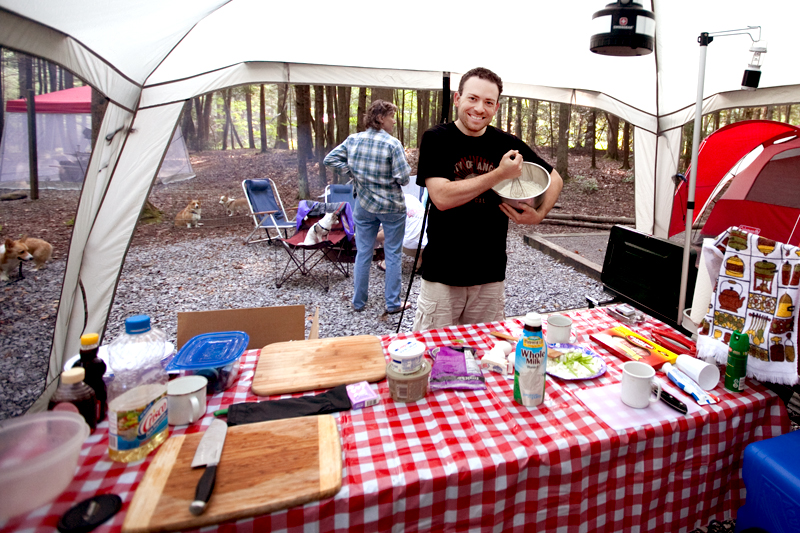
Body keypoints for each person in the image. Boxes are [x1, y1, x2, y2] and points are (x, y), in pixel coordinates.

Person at [412, 67, 564, 331]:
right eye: (472, 98)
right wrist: (499, 174)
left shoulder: (506, 143)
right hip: (442, 275)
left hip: (490, 277)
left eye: (488, 102)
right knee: (435, 358)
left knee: (487, 358)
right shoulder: (437, 139)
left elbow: (555, 179)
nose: (479, 108)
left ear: (496, 108)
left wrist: (539, 215)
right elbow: (441, 197)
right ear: (458, 98)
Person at [324, 99, 411, 314]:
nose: (393, 121)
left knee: (363, 252)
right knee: (392, 254)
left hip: (363, 205)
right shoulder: (392, 144)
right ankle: (392, 303)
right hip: (391, 207)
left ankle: (358, 302)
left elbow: (330, 159)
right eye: (391, 116)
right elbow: (403, 178)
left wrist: (353, 172)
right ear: (381, 118)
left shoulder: (353, 140)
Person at [374, 192, 428, 271]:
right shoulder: (410, 197)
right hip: (428, 245)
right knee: (415, 227)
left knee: (387, 234)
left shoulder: (391, 206)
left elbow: (385, 233)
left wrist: (370, 237)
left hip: (411, 245)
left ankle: (387, 263)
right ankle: (420, 261)